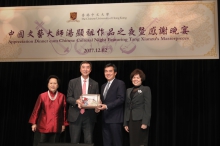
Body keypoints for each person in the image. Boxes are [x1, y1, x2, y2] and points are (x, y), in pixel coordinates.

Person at [29, 75, 68, 146]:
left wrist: (64, 124)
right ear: (47, 85)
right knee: (40, 144)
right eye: (51, 83)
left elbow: (64, 111)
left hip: (56, 126)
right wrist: (33, 123)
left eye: (55, 83)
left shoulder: (62, 96)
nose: (53, 85)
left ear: (58, 85)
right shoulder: (42, 96)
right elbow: (36, 110)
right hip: (43, 126)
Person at [67, 61, 99, 144]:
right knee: (74, 141)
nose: (85, 69)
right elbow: (69, 98)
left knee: (88, 142)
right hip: (75, 115)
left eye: (88, 67)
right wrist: (76, 101)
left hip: (89, 116)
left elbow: (96, 100)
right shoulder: (72, 82)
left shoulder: (95, 84)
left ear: (90, 70)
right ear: (80, 69)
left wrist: (97, 105)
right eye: (83, 67)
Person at [97, 63, 126, 146]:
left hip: (115, 120)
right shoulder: (103, 86)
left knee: (117, 143)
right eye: (106, 71)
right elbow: (102, 101)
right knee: (106, 143)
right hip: (105, 119)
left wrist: (107, 106)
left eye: (110, 71)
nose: (108, 73)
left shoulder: (120, 83)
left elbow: (121, 99)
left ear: (115, 73)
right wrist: (97, 106)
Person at [123, 69, 151, 146]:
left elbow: (148, 107)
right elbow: (126, 107)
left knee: (141, 142)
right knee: (133, 142)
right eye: (134, 77)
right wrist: (125, 123)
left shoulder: (146, 89)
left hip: (140, 120)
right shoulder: (128, 90)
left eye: (138, 78)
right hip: (130, 120)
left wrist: (145, 122)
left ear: (141, 79)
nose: (135, 79)